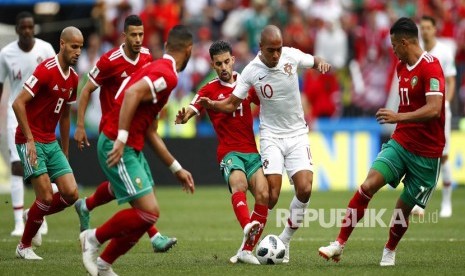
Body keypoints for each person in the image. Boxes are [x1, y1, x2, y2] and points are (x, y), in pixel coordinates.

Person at [318, 17, 445, 266]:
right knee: (367, 186)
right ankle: (338, 244)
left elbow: (435, 109)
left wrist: (398, 116)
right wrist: (400, 121)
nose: (393, 51)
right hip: (401, 142)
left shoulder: (431, 66)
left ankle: (389, 249)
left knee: (402, 209)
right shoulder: (400, 67)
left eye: (395, 46)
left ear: (405, 42)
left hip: (427, 153)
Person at [198, 25, 331, 263]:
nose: (277, 55)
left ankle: (284, 241)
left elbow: (315, 59)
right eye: (272, 50)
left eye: (279, 49)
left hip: (297, 133)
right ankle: (247, 246)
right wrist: (211, 105)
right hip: (270, 135)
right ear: (261, 48)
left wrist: (321, 63)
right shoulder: (250, 72)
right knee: (270, 195)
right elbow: (230, 104)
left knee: (305, 188)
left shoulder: (291, 55)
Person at [79, 25, 195, 276]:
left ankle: (104, 264)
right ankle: (92, 239)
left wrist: (176, 168)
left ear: (166, 47)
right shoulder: (168, 75)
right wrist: (121, 138)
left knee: (147, 215)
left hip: (131, 145)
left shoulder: (154, 68)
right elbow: (132, 93)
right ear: (189, 50)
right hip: (116, 143)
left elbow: (150, 131)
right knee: (148, 212)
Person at [175, 40, 269, 265]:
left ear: (233, 60)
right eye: (219, 64)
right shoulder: (209, 89)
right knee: (239, 184)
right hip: (229, 151)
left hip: (251, 151)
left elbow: (266, 103)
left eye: (227, 61)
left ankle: (246, 250)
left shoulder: (246, 84)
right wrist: (186, 114)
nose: (224, 67)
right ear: (213, 66)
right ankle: (247, 225)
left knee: (264, 196)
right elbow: (194, 106)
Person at [12, 26, 84, 260]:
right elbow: (17, 103)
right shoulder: (45, 70)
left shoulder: (73, 78)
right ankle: (24, 246)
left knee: (71, 194)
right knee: (44, 197)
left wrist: (64, 151)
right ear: (62, 44)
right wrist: (30, 140)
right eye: (74, 46)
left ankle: (31, 215)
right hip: (28, 139)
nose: (78, 52)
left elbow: (64, 116)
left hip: (50, 141)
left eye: (81, 47)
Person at [0, 11, 55, 237]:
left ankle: (39, 216)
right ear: (17, 30)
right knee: (17, 165)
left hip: (41, 115)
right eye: (22, 27)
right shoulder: (5, 54)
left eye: (30, 27)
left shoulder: (45, 50)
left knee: (40, 165)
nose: (26, 31)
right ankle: (18, 222)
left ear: (34, 28)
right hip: (16, 113)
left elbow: (56, 78)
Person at [411, 15, 457, 218]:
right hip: (423, 111)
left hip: (440, 110)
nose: (426, 31)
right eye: (423, 27)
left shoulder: (444, 52)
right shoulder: (418, 52)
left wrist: (445, 103)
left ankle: (446, 202)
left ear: (435, 29)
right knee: (422, 154)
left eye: (429, 27)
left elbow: (451, 80)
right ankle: (421, 202)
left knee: (443, 155)